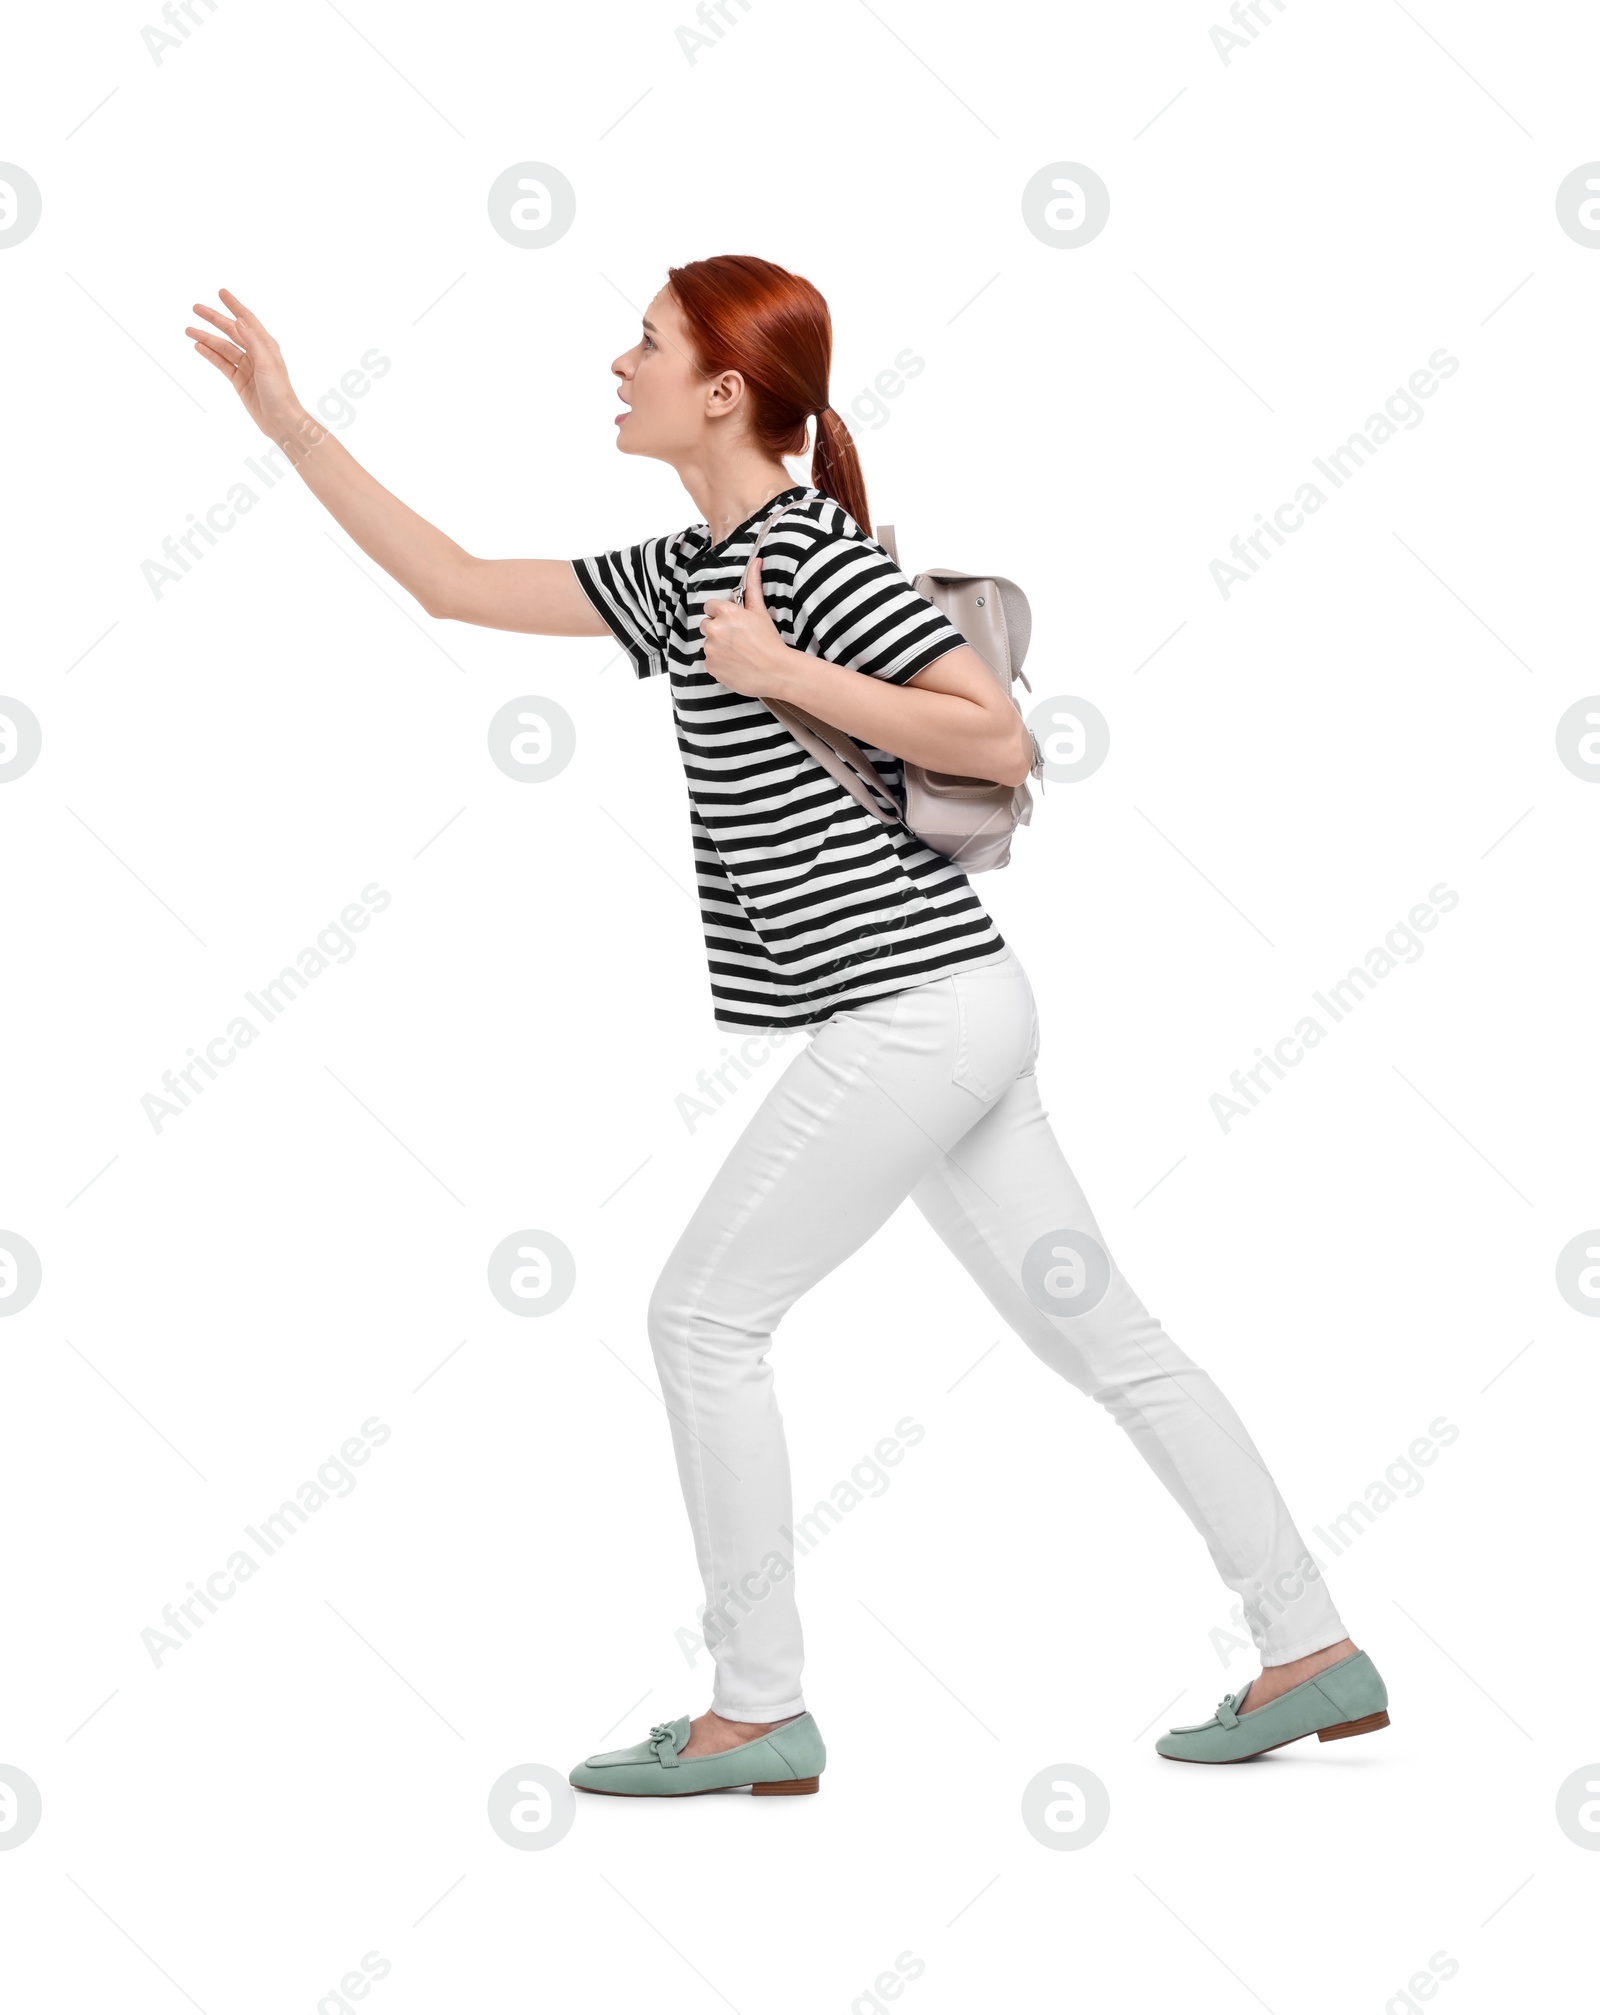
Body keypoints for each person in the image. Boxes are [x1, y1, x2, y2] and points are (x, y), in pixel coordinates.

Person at [186, 253, 1389, 1792]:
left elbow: (1000, 736)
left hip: (913, 1010)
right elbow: (456, 583)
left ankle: (757, 1709)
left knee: (702, 1319)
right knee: (1108, 1340)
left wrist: (778, 666)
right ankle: (1314, 1648)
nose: (618, 364)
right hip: (949, 1010)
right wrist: (290, 423)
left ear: (724, 390)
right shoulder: (683, 570)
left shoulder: (810, 560)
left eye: (646, 343)